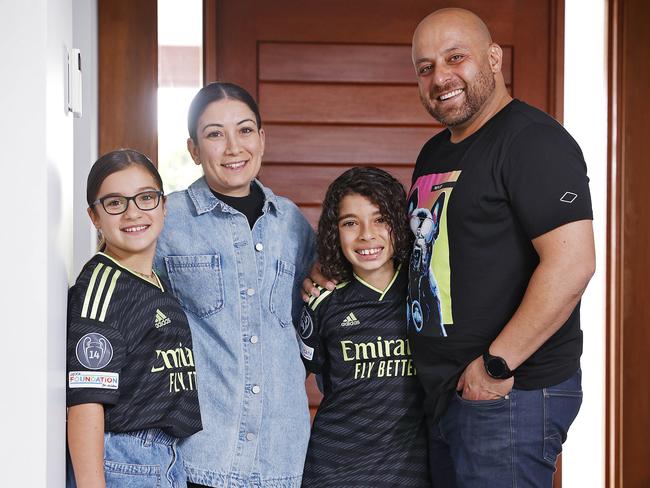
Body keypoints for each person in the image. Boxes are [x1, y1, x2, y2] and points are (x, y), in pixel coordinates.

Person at [305, 8, 595, 487]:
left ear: (494, 58)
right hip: (445, 395)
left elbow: (573, 262)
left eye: (455, 58)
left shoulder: (534, 141)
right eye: (425, 67)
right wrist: (333, 269)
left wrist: (496, 365)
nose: (441, 77)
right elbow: (416, 249)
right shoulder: (437, 151)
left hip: (507, 394)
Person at [154, 82, 315, 488]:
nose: (232, 147)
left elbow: (313, 326)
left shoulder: (293, 225)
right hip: (197, 457)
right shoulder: (165, 222)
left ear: (261, 139)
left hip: (281, 459)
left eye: (244, 131)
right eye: (214, 134)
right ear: (193, 149)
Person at [66, 149, 202, 488]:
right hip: (125, 461)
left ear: (163, 205)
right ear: (94, 216)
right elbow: (85, 401)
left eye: (145, 198)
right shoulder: (101, 287)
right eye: (114, 203)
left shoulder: (153, 280)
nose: (132, 213)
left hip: (165, 458)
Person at [299, 167, 431, 487]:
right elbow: (291, 382)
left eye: (380, 219)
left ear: (399, 224)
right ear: (335, 231)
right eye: (350, 223)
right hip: (334, 471)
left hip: (409, 472)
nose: (366, 235)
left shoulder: (425, 293)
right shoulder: (322, 302)